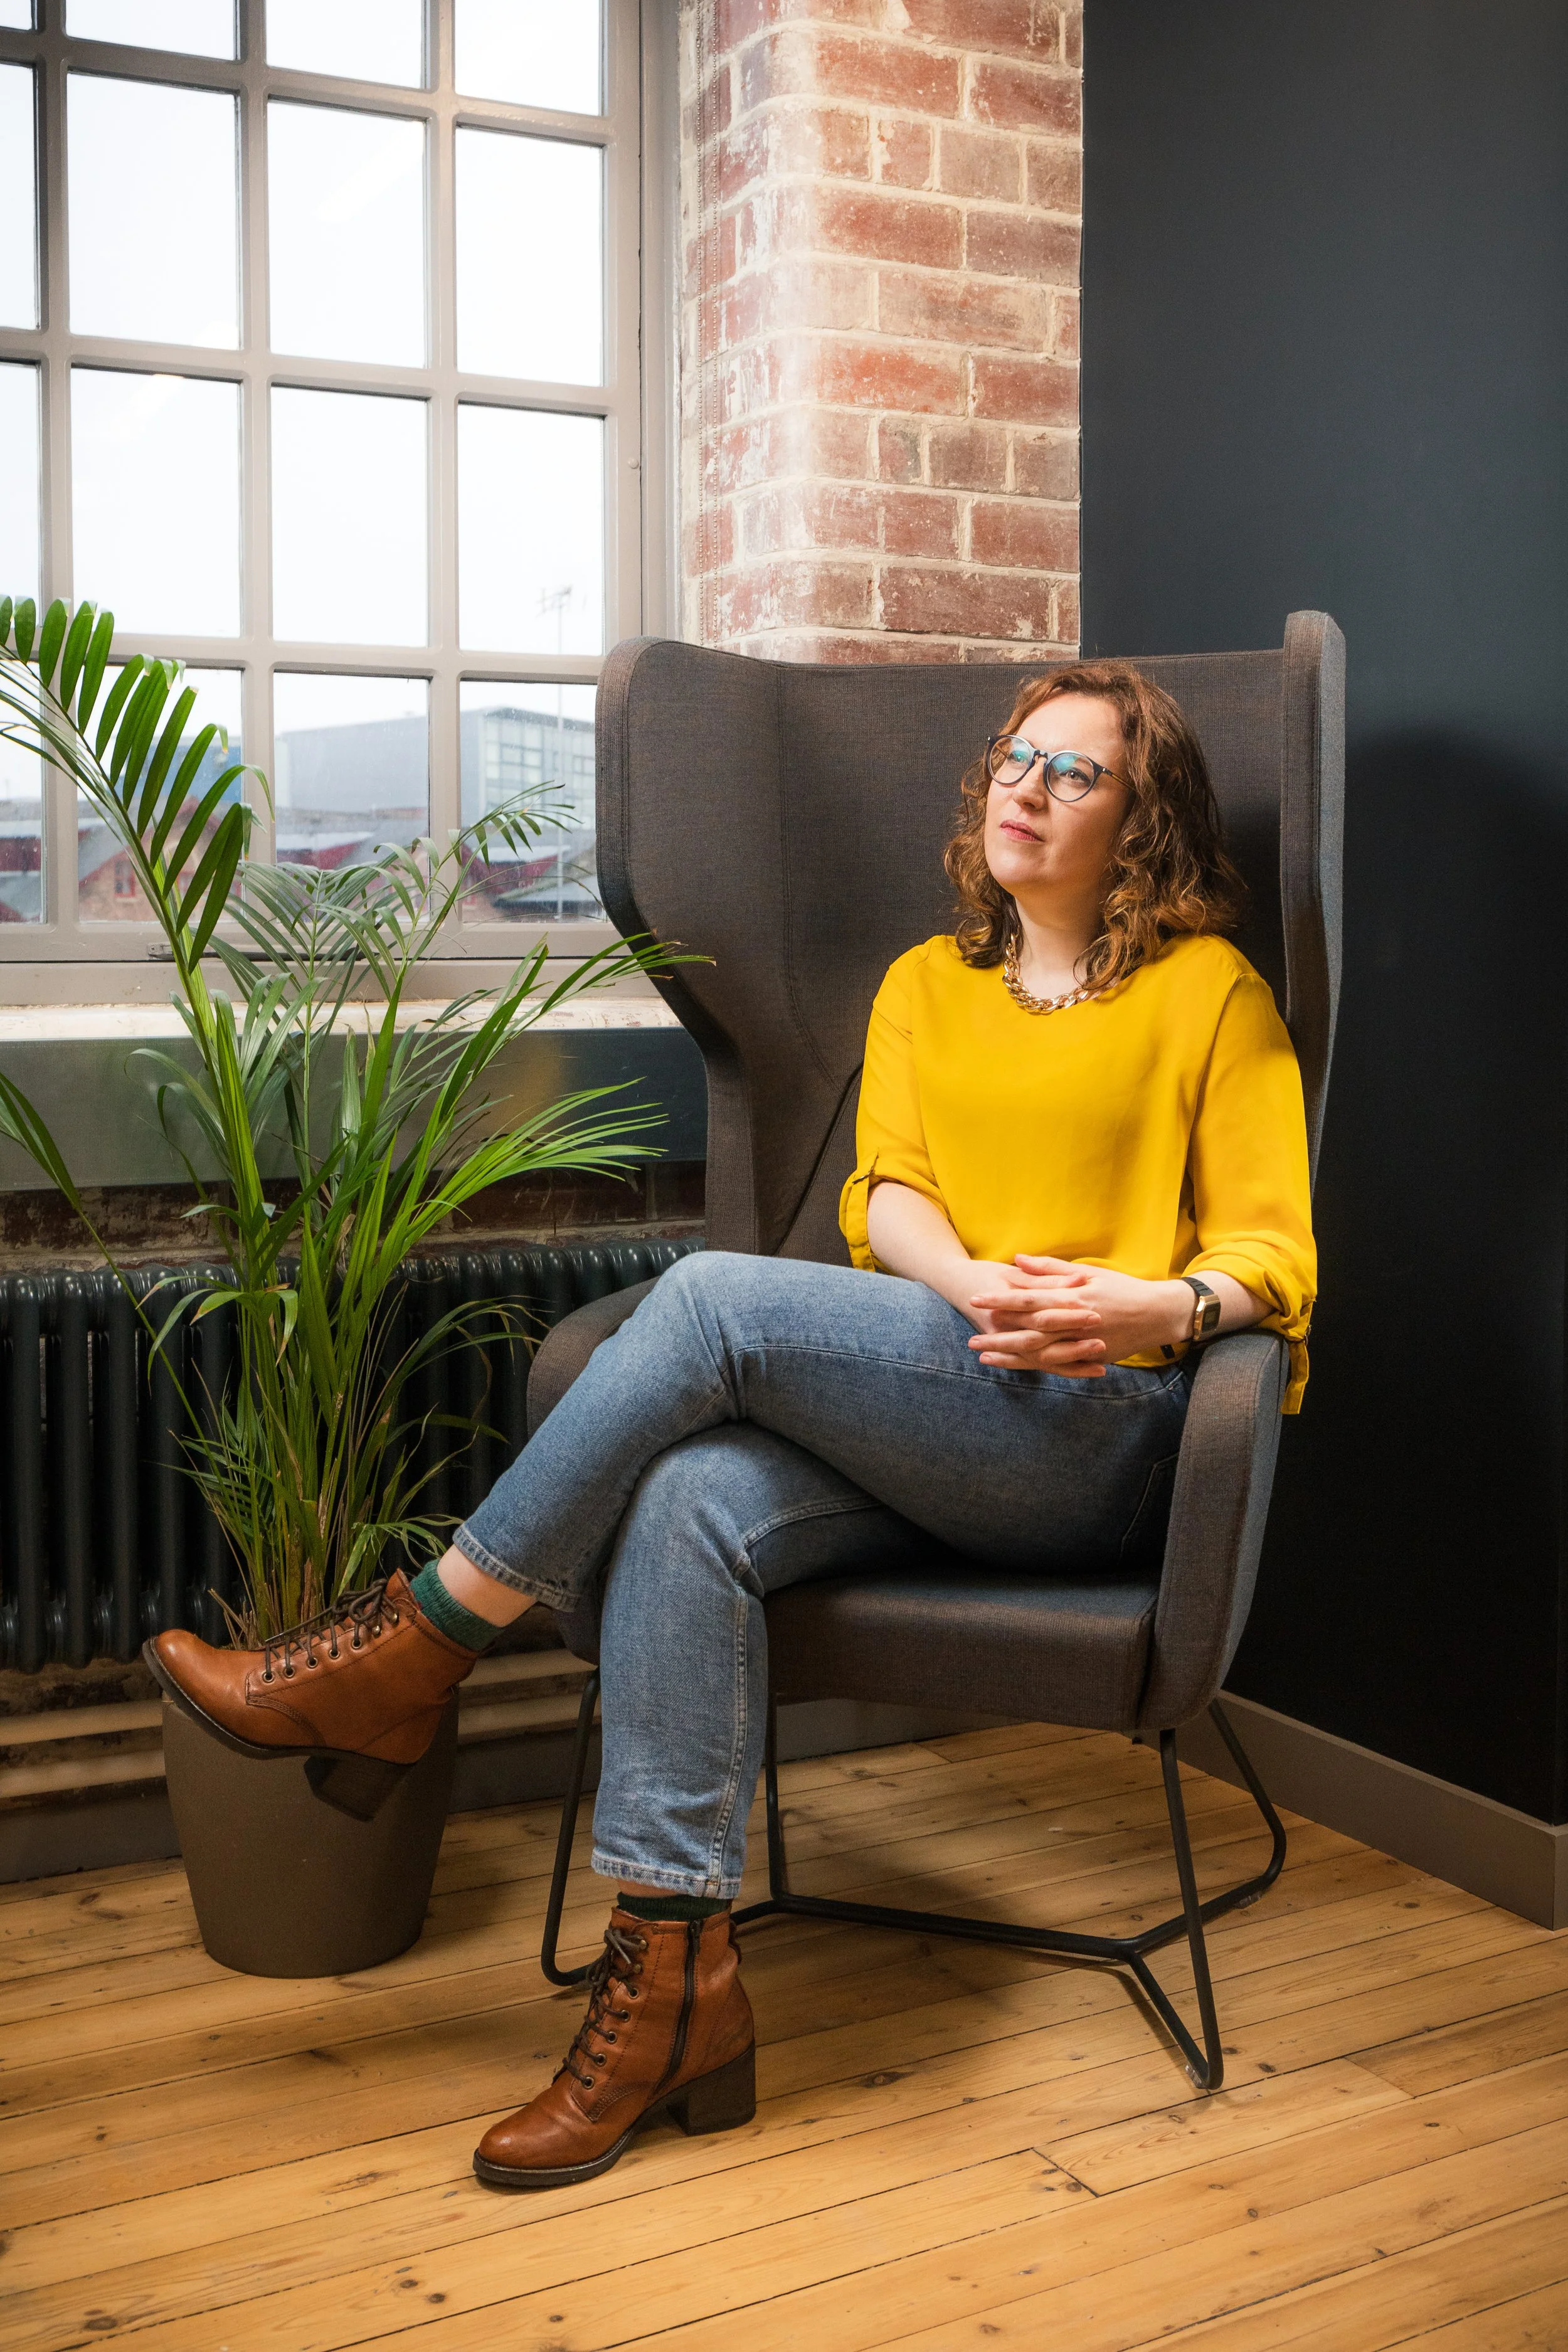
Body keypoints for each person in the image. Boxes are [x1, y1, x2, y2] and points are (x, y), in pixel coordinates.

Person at [146, 660, 1316, 2194]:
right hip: (939, 1397)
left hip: (1092, 1436)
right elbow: (879, 1192)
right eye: (1012, 758)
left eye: (1072, 772)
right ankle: (670, 1990)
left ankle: (416, 1643)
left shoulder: (1204, 992)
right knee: (691, 1495)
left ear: (1139, 817)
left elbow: (1276, 1260)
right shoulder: (921, 985)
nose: (1021, 787)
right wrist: (969, 1290)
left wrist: (1138, 1311)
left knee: (703, 1302)